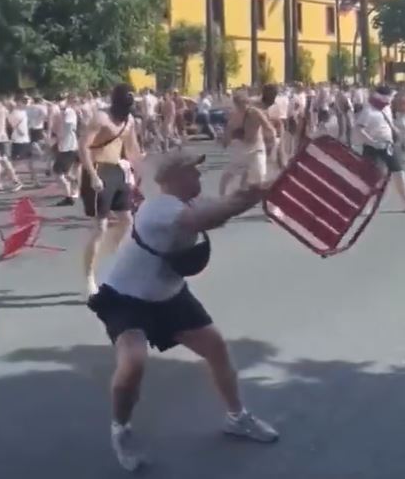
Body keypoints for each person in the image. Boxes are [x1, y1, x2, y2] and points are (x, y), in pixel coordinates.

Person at [87, 151, 279, 471]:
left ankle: (237, 418)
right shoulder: (158, 208)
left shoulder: (185, 204)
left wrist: (263, 187)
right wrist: (254, 196)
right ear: (173, 177)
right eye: (193, 172)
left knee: (216, 348)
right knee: (133, 363)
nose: (199, 177)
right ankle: (120, 429)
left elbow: (223, 204)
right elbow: (209, 219)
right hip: (126, 298)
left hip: (169, 296)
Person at [79, 84, 144, 296]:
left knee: (127, 221)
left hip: (118, 170)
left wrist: (136, 171)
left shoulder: (129, 120)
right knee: (100, 227)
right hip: (98, 170)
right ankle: (89, 276)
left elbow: (132, 147)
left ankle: (111, 258)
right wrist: (93, 176)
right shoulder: (100, 118)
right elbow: (83, 147)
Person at [354, 90, 405, 214]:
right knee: (373, 176)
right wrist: (372, 141)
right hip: (372, 147)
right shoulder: (368, 111)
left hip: (389, 145)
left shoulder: (386, 107)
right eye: (390, 96)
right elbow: (358, 129)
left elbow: (389, 121)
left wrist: (395, 130)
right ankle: (368, 204)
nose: (392, 99)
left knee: (398, 172)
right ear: (381, 97)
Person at [219, 89, 275, 196]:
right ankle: (222, 196)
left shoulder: (256, 113)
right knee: (229, 173)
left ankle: (257, 194)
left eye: (243, 103)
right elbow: (228, 131)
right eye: (239, 104)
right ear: (235, 104)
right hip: (242, 147)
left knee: (260, 174)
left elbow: (268, 127)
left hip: (257, 147)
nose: (242, 106)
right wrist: (225, 142)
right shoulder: (234, 116)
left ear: (247, 102)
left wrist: (271, 141)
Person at [52, 94, 81, 206]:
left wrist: (60, 136)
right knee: (65, 171)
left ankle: (69, 197)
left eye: (62, 100)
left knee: (57, 172)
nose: (59, 102)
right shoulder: (69, 112)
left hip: (68, 146)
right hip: (69, 146)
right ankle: (74, 183)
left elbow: (68, 127)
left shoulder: (69, 112)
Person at [8, 94, 37, 184]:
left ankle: (35, 179)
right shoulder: (14, 113)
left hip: (26, 140)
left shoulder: (23, 112)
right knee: (15, 163)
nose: (25, 103)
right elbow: (11, 125)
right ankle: (10, 179)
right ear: (17, 102)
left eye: (25, 102)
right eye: (23, 102)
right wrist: (19, 130)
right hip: (18, 141)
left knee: (30, 161)